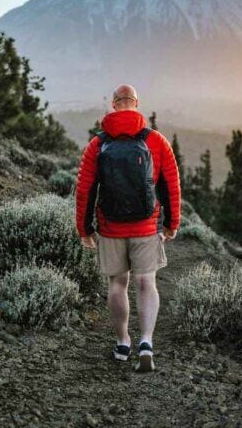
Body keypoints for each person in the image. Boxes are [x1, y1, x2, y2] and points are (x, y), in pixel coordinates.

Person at [75, 84, 180, 372]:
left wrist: (84, 229)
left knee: (117, 284)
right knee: (147, 282)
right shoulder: (156, 141)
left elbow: (85, 190)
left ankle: (123, 342)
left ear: (113, 104)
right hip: (146, 226)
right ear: (136, 103)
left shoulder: (97, 144)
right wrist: (171, 223)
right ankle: (146, 341)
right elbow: (170, 185)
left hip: (110, 227)